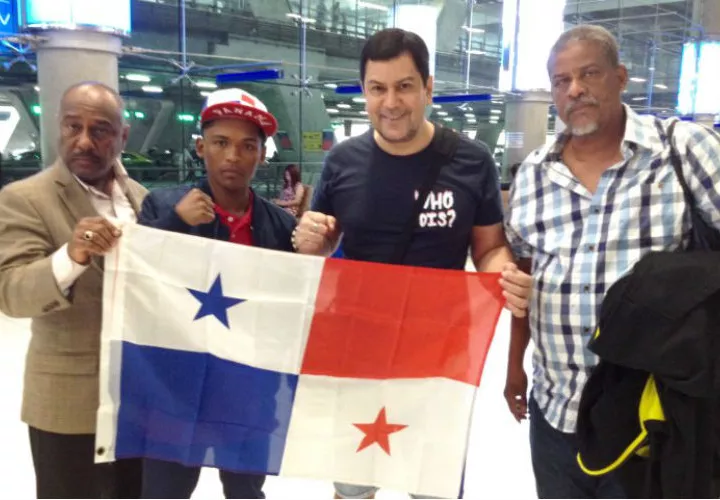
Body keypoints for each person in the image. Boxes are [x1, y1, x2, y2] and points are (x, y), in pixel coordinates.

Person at [291, 28, 533, 499]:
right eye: (377, 88)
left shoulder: (470, 160)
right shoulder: (342, 162)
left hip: (438, 358)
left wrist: (503, 274)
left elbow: (487, 247)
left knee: (433, 486)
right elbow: (321, 246)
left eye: (404, 86)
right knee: (354, 485)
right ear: (363, 90)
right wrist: (308, 240)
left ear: (428, 88)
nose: (391, 102)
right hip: (359, 352)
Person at [503, 24, 720, 499]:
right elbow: (523, 278)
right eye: (561, 81)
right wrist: (514, 367)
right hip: (556, 411)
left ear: (620, 77)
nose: (574, 89)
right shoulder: (533, 176)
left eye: (589, 73)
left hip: (653, 415)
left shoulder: (682, 150)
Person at [137, 88, 296, 499]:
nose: (233, 156)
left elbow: (294, 307)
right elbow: (133, 273)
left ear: (262, 155)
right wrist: (174, 222)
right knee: (165, 493)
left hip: (247, 393)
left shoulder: (279, 225)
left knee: (246, 492)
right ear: (200, 146)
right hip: (175, 390)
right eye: (221, 143)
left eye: (247, 146)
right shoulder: (162, 206)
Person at [0, 82, 147, 498]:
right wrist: (72, 256)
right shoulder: (24, 199)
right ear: (58, 129)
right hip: (67, 402)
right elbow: (11, 291)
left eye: (100, 130)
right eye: (72, 126)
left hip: (136, 400)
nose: (84, 141)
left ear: (122, 137)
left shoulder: (141, 199)